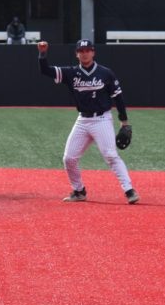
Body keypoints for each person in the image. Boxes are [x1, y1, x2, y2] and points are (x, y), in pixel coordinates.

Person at [37, 39, 139, 204]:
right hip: (82, 120)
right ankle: (79, 191)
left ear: (93, 52)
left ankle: (129, 190)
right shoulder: (71, 73)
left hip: (102, 119)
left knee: (111, 155)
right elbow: (46, 71)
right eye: (81, 51)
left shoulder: (105, 73)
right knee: (69, 158)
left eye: (88, 50)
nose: (85, 53)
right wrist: (42, 54)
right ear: (77, 54)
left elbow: (118, 98)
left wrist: (124, 122)